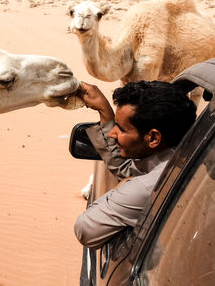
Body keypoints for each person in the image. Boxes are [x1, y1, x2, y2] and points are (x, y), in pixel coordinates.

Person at [74, 80, 197, 249]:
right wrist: (104, 110)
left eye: (121, 129)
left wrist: (118, 189)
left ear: (153, 138)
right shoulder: (188, 154)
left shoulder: (147, 187)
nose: (112, 133)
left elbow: (84, 229)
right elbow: (128, 168)